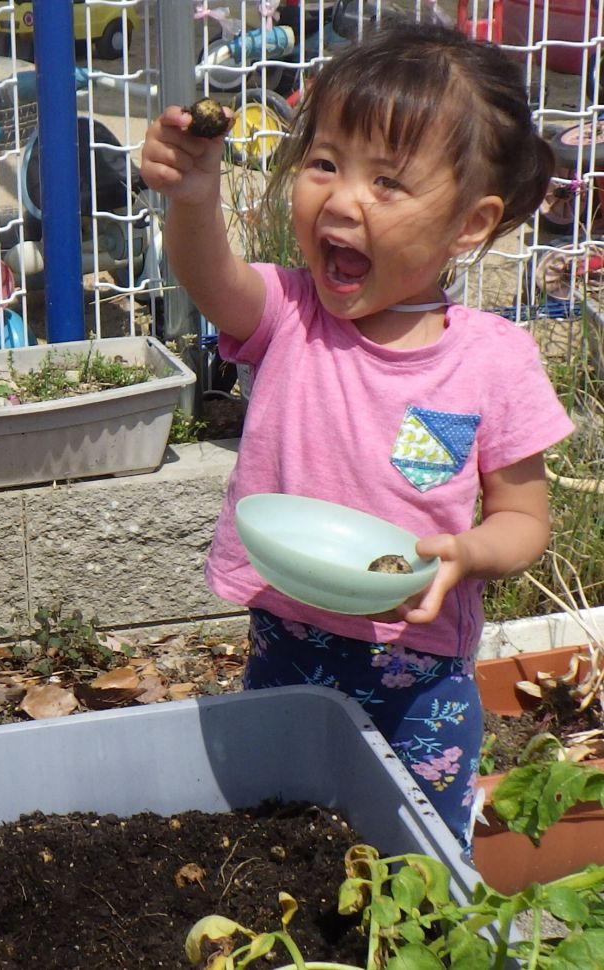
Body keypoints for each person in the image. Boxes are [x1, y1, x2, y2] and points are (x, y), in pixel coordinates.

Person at [140, 21, 574, 844]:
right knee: (274, 840)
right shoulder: (292, 313)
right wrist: (192, 198)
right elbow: (212, 279)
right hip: (283, 645)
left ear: (470, 224)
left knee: (417, 859)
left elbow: (525, 523)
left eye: (388, 183)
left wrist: (469, 553)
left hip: (418, 676)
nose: (341, 200)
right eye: (326, 164)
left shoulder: (495, 362)